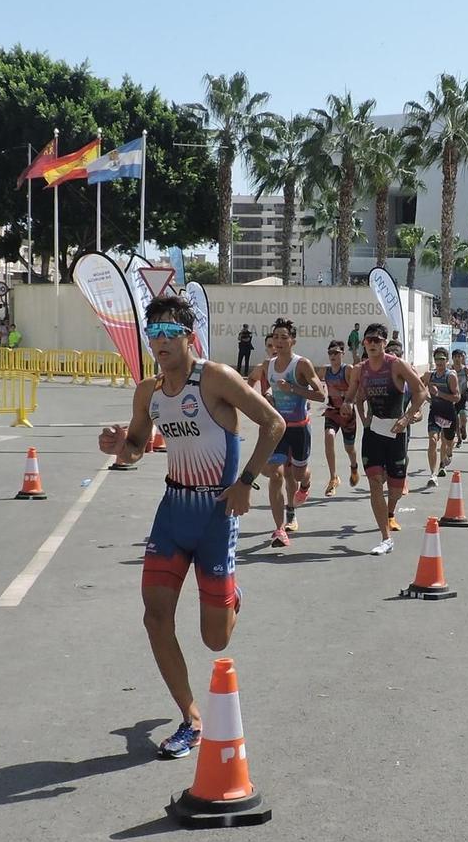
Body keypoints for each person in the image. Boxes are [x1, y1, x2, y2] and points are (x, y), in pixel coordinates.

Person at [97, 294, 285, 759]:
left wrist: (245, 484)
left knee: (214, 638)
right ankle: (190, 719)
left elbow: (274, 423)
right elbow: (137, 447)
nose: (157, 342)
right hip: (173, 511)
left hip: (217, 514)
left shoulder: (216, 378)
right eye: (152, 333)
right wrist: (120, 445)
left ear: (188, 335)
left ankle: (232, 594)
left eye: (166, 333)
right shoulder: (149, 391)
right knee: (155, 617)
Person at [354, 322, 429, 555]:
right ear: (364, 343)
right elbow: (356, 395)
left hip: (397, 433)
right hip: (374, 432)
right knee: (375, 482)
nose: (373, 344)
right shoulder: (361, 369)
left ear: (385, 343)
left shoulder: (398, 367)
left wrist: (407, 418)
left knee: (395, 489)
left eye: (377, 340)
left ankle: (391, 510)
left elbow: (421, 393)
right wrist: (360, 414)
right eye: (369, 340)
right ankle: (385, 537)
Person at [249, 319, 324, 547]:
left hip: (300, 428)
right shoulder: (266, 365)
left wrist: (292, 389)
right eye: (275, 337)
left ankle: (306, 484)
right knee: (277, 474)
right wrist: (265, 398)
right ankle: (280, 529)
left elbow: (320, 395)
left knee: (298, 475)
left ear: (293, 341)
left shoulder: (301, 364)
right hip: (278, 428)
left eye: (284, 337)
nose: (279, 342)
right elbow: (250, 382)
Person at [321, 338, 361, 494]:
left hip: (347, 413)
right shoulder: (325, 371)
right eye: (330, 352)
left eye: (336, 353)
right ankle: (333, 478)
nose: (333, 356)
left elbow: (357, 389)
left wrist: (344, 395)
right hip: (332, 411)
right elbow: (311, 382)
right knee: (328, 436)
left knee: (349, 448)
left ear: (342, 354)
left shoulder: (348, 370)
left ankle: (354, 466)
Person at [424, 347, 461, 485]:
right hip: (435, 412)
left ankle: (447, 456)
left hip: (448, 413)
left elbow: (457, 397)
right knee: (433, 441)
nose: (439, 362)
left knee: (447, 442)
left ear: (446, 361)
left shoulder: (450, 376)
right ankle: (433, 474)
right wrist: (425, 399)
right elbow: (419, 387)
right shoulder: (429, 375)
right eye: (437, 359)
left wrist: (439, 394)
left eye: (442, 359)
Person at [451, 348, 468, 445]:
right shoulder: (450, 369)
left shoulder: (465, 369)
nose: (457, 359)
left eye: (459, 357)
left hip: (463, 396)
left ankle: (463, 427)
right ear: (452, 358)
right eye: (455, 357)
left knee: (463, 417)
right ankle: (459, 438)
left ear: (462, 358)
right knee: (455, 419)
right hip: (452, 397)